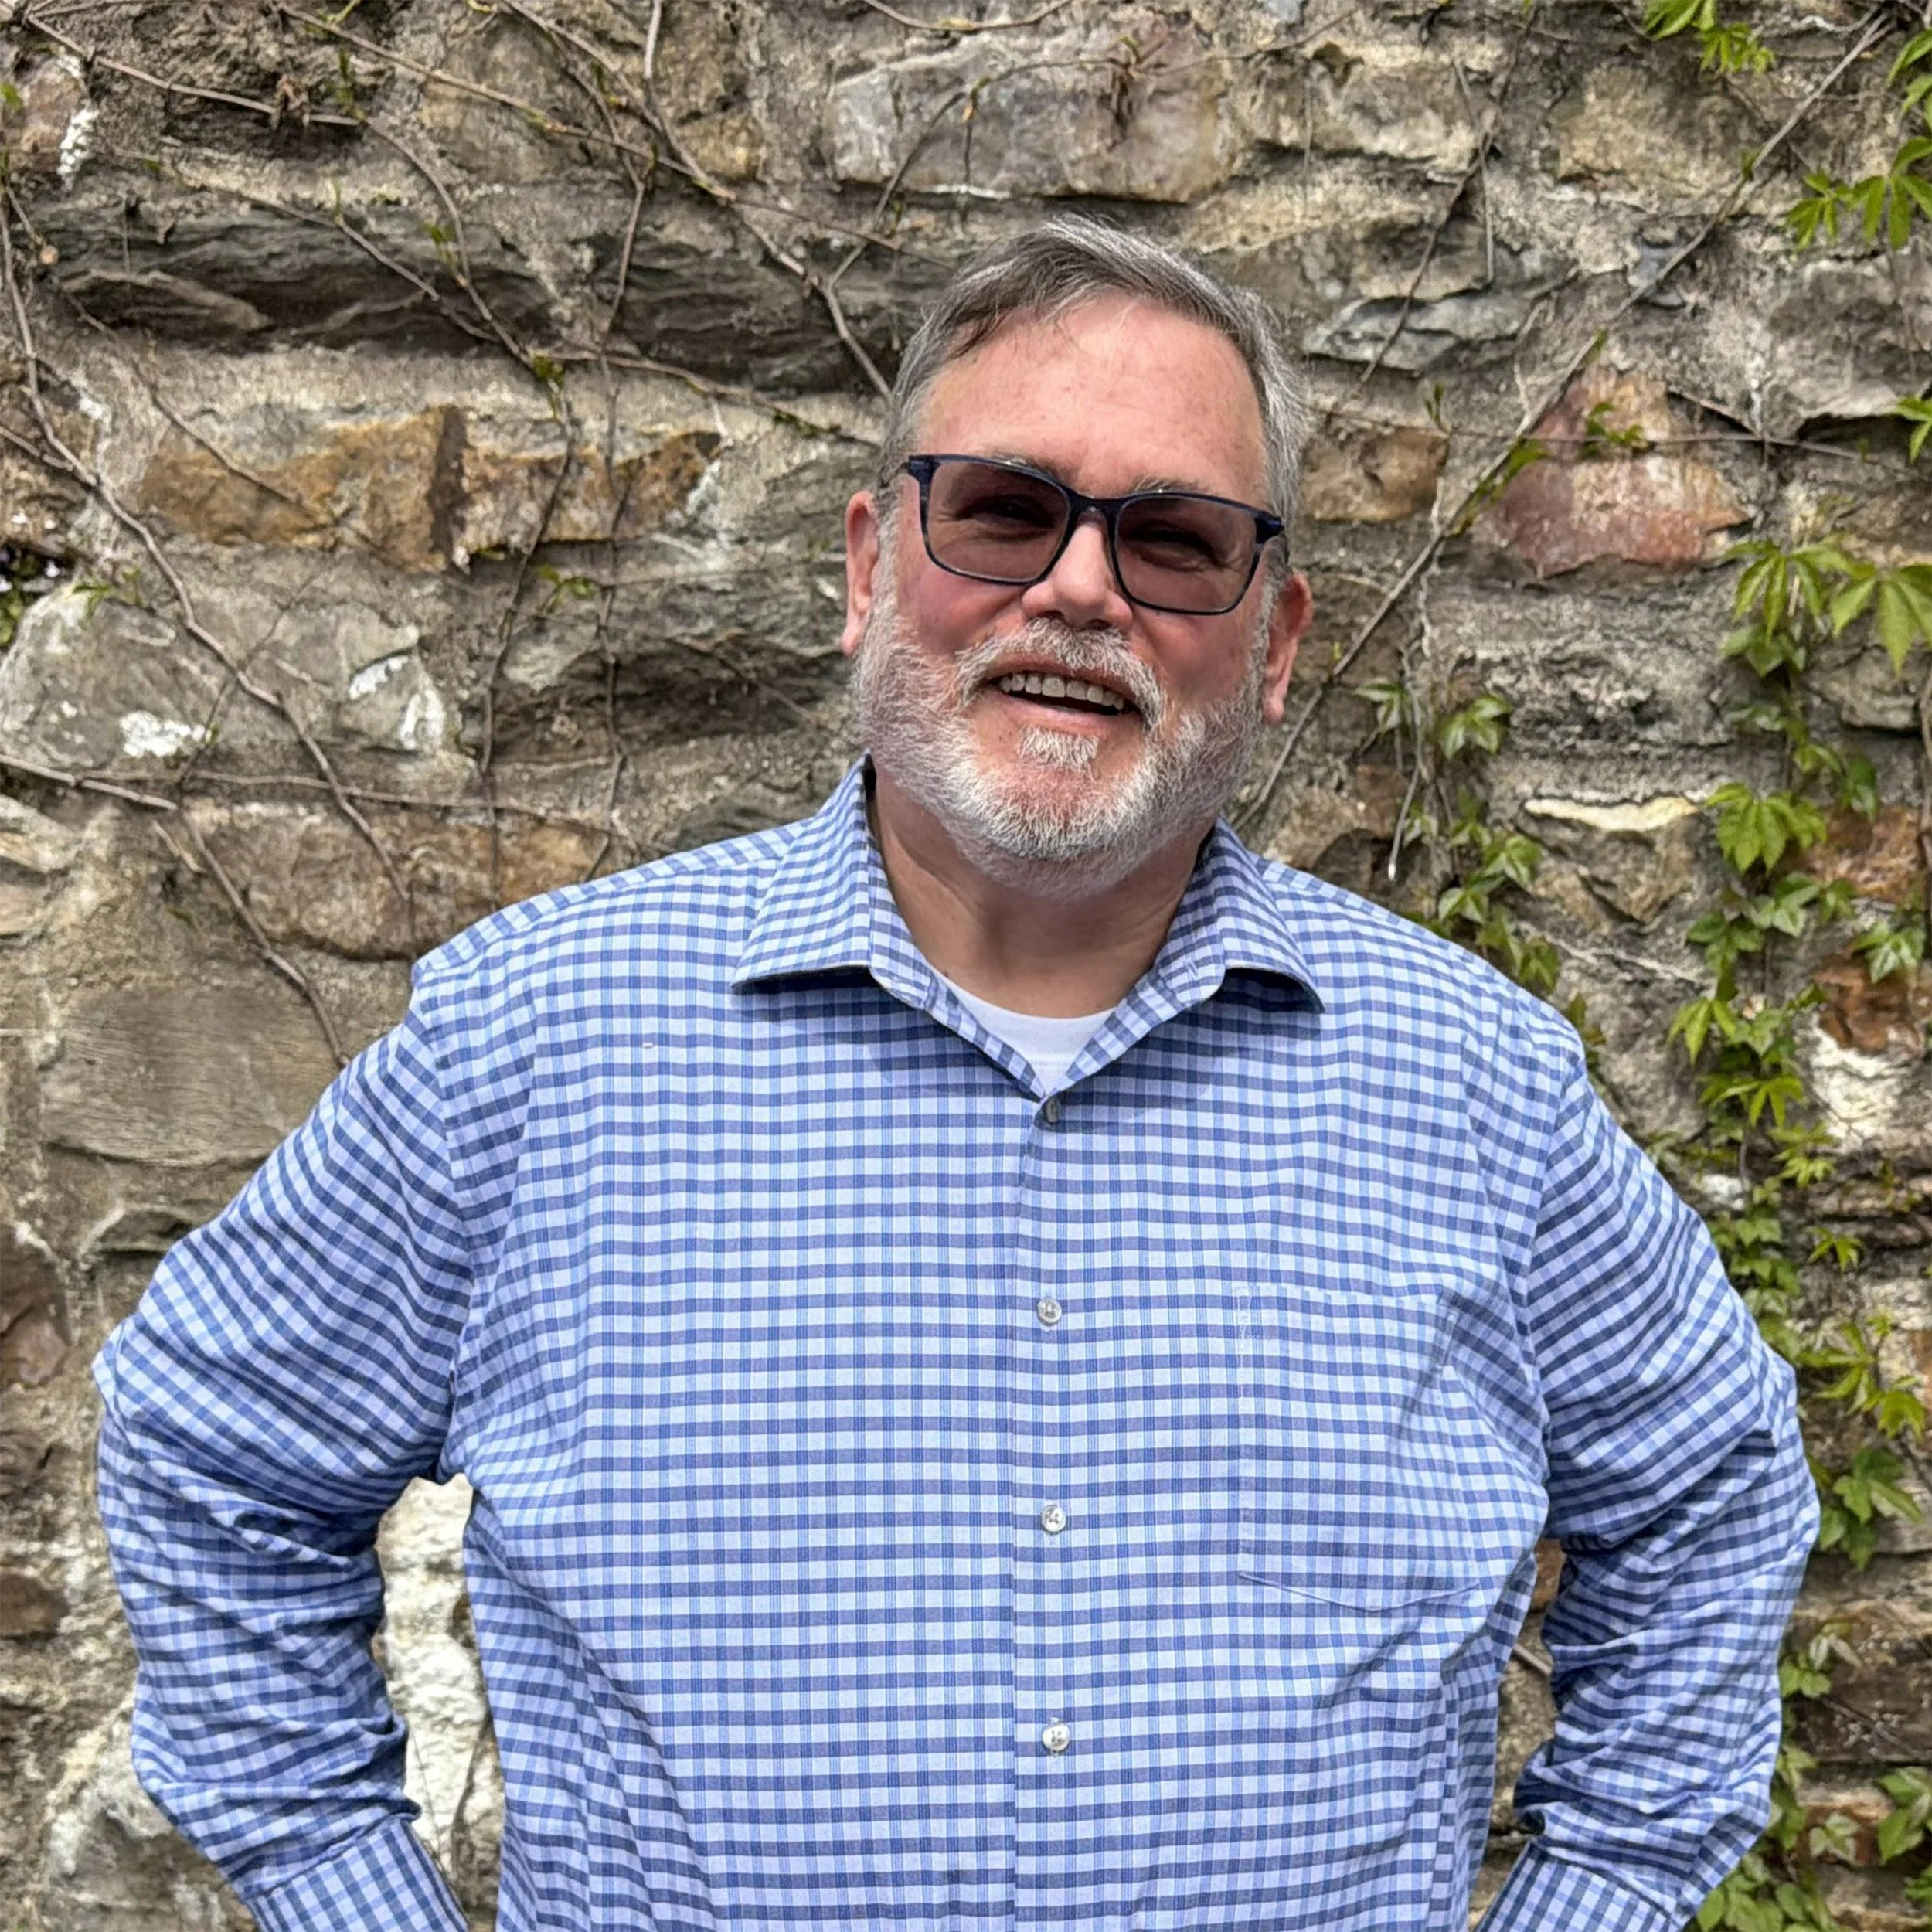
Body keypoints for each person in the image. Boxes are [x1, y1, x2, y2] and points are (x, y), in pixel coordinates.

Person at [95, 217, 1815, 1932]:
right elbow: (208, 1450)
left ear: (1275, 640)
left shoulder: (1475, 1089)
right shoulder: (535, 1044)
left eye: (1172, 536)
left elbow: (1710, 1498)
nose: (1078, 586)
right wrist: (346, 1886)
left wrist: (1587, 1893)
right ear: (866, 564)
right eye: (1002, 509)